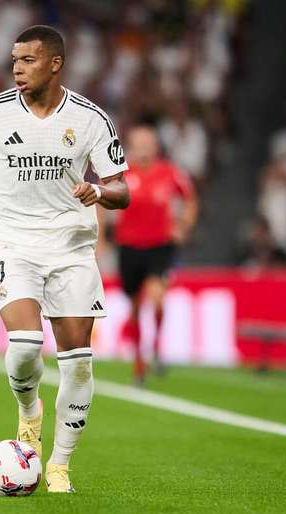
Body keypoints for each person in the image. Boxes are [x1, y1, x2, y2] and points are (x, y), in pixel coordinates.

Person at [0, 25, 130, 493]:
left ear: (55, 63)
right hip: (13, 243)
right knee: (22, 348)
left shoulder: (91, 118)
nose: (17, 68)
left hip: (72, 246)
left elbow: (122, 189)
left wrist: (97, 190)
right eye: (14, 60)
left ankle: (58, 465)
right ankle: (29, 411)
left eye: (28, 60)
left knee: (77, 360)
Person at [111, 125, 197, 385]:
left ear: (156, 145)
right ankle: (139, 363)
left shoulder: (170, 172)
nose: (144, 147)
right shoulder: (121, 172)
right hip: (129, 246)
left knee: (158, 298)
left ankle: (157, 344)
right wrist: (100, 238)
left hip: (160, 245)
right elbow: (103, 201)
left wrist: (183, 226)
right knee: (136, 308)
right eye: (139, 142)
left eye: (148, 142)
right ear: (131, 146)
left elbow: (191, 199)